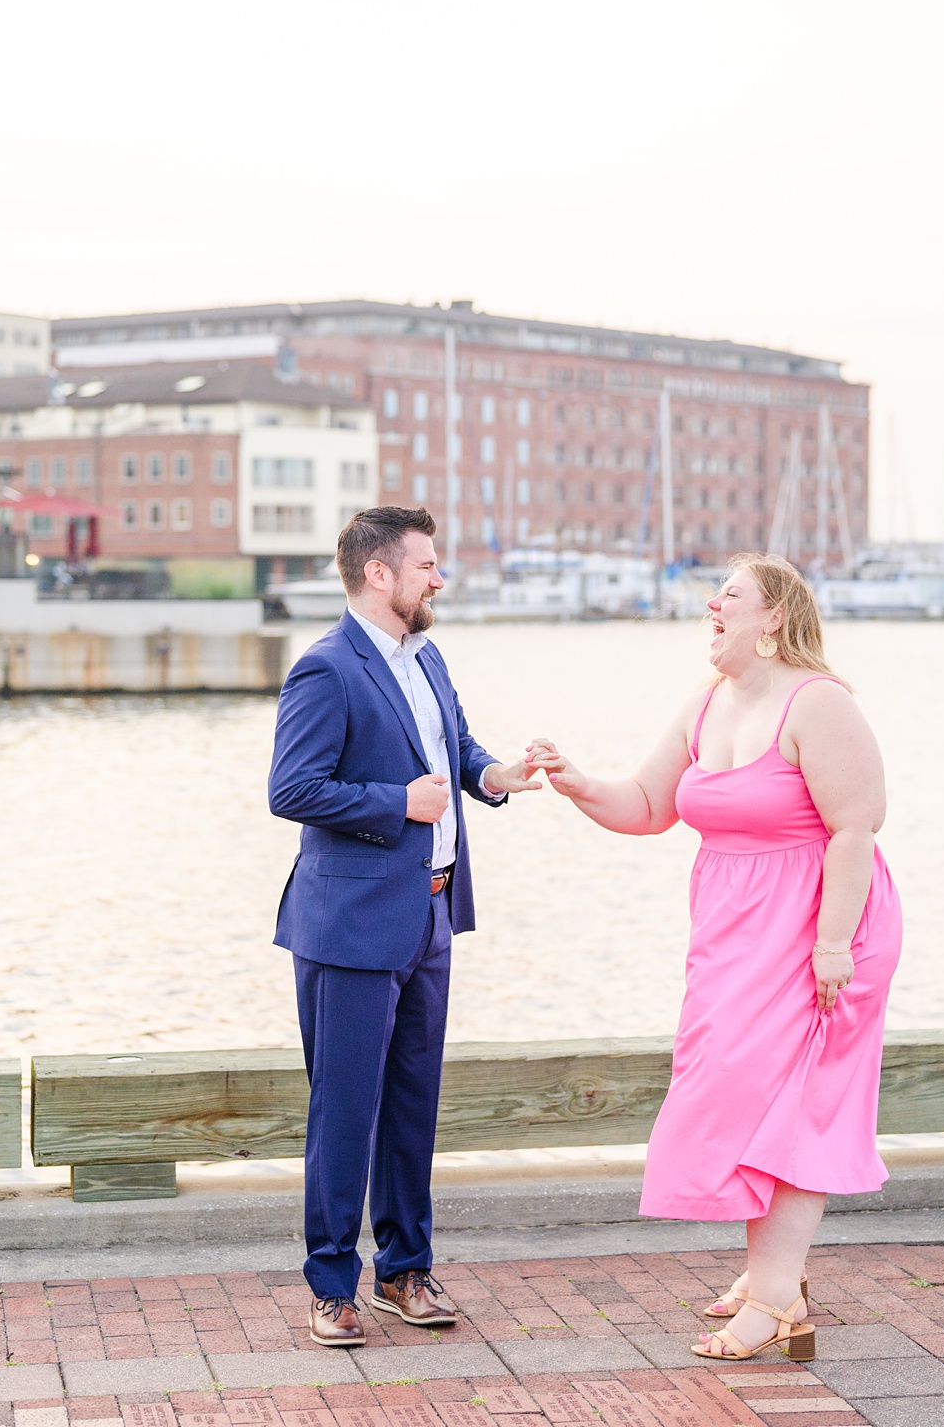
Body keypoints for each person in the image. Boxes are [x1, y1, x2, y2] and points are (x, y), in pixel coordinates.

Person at [527, 553, 897, 1362]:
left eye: (729, 595)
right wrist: (578, 782)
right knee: (733, 1087)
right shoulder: (706, 703)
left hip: (819, 927)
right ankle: (777, 1276)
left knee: (793, 1105)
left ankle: (775, 1296)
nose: (711, 604)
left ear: (774, 619)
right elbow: (650, 804)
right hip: (731, 931)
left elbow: (857, 829)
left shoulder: (819, 703)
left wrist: (832, 945)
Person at [267, 505, 541, 1348]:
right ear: (378, 574)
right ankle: (330, 1288)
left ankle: (405, 1271)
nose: (438, 577)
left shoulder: (428, 656)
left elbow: (452, 748)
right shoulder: (325, 670)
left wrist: (496, 773)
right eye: (426, 563)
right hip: (348, 924)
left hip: (431, 914)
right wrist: (399, 803)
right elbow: (291, 789)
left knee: (413, 1106)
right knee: (345, 1111)